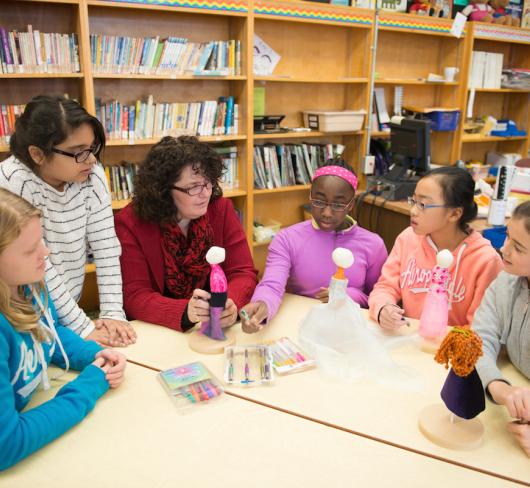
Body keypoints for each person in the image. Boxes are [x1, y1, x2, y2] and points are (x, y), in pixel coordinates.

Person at [0, 189, 126, 470]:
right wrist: (89, 385)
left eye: (41, 242)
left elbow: (50, 332)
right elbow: (5, 446)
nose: (45, 253)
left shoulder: (28, 285)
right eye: (31, 249)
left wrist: (94, 354)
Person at [0, 95, 134, 347]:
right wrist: (82, 326)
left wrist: (112, 313)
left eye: (92, 148)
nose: (92, 160)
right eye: (78, 152)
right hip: (23, 317)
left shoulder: (90, 175)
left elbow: (106, 247)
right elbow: (41, 263)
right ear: (38, 154)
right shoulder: (11, 181)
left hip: (67, 309)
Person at [115, 136, 257, 331]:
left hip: (213, 330)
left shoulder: (220, 209)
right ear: (163, 190)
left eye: (208, 183)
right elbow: (134, 295)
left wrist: (230, 304)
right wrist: (185, 312)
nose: (206, 193)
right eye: (194, 187)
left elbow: (243, 272)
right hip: (159, 331)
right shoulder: (131, 222)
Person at [240, 162, 388, 333]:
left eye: (338, 205)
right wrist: (262, 304)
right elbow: (272, 285)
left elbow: (376, 297)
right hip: (299, 327)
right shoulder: (288, 239)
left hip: (349, 330)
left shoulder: (373, 244)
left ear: (351, 204)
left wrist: (346, 296)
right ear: (309, 196)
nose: (326, 212)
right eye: (318, 201)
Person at [369, 166, 502, 330]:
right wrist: (383, 308)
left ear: (454, 214)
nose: (413, 211)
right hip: (409, 343)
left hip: (453, 350)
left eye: (423, 204)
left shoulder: (485, 260)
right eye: (413, 201)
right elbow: (385, 287)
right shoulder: (408, 238)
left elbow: (479, 327)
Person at [473, 201, 530, 457]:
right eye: (508, 236)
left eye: (518, 247)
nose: (503, 248)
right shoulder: (507, 279)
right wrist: (497, 385)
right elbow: (481, 337)